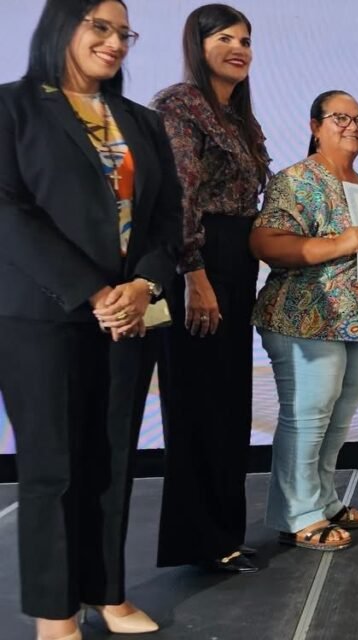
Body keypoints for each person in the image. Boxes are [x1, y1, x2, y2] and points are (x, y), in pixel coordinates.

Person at [0, 0, 180, 636]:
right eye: (100, 27)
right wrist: (93, 291)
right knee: (52, 466)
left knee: (113, 457)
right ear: (62, 26)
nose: (114, 42)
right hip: (41, 316)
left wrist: (142, 285)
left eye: (123, 32)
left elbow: (166, 218)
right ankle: (55, 613)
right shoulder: (13, 107)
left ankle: (108, 592)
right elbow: (8, 212)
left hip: (130, 312)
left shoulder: (141, 121)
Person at [151, 2, 270, 575]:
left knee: (228, 402)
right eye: (225, 38)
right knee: (197, 402)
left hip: (237, 262)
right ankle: (199, 539)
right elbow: (177, 197)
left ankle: (225, 533)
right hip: (197, 264)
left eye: (245, 40)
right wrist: (194, 275)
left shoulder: (239, 117)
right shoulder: (180, 105)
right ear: (198, 45)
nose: (238, 48)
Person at [249, 90, 358, 550]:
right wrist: (339, 244)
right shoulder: (296, 180)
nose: (353, 127)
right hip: (303, 317)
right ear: (314, 127)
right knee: (308, 416)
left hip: (357, 320)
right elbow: (265, 243)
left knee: (339, 417)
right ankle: (299, 513)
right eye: (340, 118)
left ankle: (324, 499)